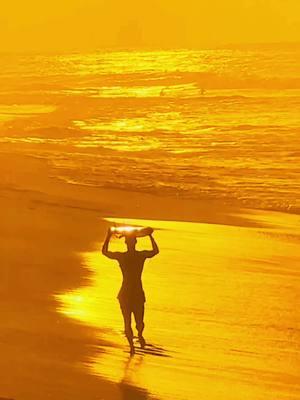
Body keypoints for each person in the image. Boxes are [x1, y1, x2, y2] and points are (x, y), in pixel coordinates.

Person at [102, 228, 159, 355]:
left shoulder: (124, 256)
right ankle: (133, 344)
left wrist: (108, 236)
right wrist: (150, 237)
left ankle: (136, 340)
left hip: (128, 293)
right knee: (134, 322)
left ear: (127, 244)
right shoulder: (139, 256)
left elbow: (105, 252)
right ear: (135, 243)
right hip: (134, 293)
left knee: (134, 322)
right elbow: (155, 251)